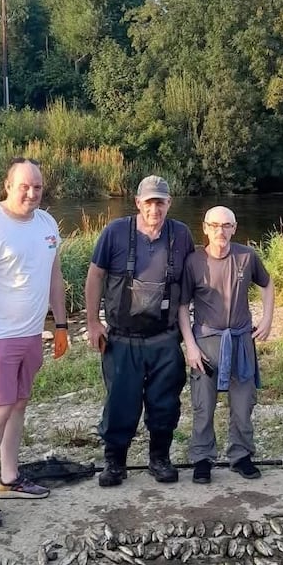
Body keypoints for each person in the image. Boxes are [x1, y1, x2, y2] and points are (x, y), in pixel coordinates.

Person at [0, 158, 69, 529]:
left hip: (31, 334)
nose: (31, 192)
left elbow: (54, 274)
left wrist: (61, 324)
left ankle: (10, 478)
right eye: (24, 186)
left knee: (18, 405)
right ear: (7, 186)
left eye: (37, 186)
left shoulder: (47, 224)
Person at [85, 176, 194, 487]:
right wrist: (93, 322)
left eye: (160, 201)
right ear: (137, 202)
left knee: (165, 404)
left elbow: (193, 281)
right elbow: (95, 276)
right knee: (120, 403)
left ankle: (159, 458)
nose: (154, 208)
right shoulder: (115, 232)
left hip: (165, 338)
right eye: (149, 202)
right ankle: (114, 462)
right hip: (121, 338)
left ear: (169, 203)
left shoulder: (181, 235)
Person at [179, 206, 275, 484]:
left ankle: (241, 455)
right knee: (203, 404)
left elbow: (267, 285)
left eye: (226, 226)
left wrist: (268, 318)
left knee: (243, 403)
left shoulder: (247, 256)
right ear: (205, 228)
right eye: (215, 225)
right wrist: (190, 345)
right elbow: (183, 306)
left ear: (234, 228)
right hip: (206, 342)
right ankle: (201, 459)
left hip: (241, 340)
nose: (220, 231)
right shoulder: (193, 262)